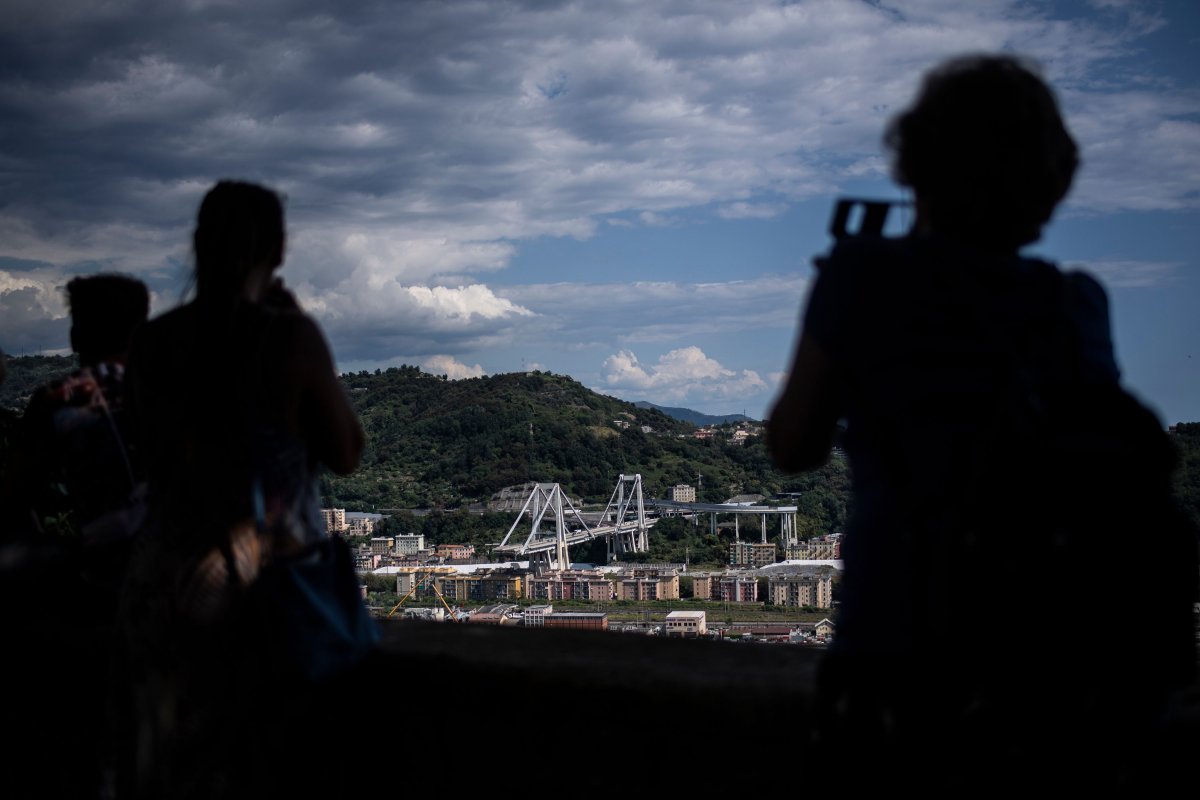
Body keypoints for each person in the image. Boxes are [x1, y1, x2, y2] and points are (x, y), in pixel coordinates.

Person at [767, 55, 1197, 791]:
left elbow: (794, 447)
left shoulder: (863, 279)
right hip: (1053, 659)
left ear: (915, 167)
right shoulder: (1076, 303)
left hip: (898, 644)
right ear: (1049, 186)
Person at [114, 180, 366, 799]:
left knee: (165, 775)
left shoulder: (150, 344)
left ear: (197, 245)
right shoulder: (288, 338)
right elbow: (347, 453)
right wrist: (297, 321)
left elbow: (147, 460)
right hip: (264, 592)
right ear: (278, 251)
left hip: (158, 583)